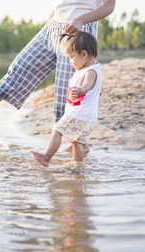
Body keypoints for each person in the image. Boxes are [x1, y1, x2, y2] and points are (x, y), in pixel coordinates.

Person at [0, 0, 115, 123]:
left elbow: (108, 6)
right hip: (54, 25)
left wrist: (80, 20)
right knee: (21, 66)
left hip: (80, 30)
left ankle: (76, 146)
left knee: (67, 95)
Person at [29, 31, 101, 166]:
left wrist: (81, 90)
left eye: (71, 57)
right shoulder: (89, 67)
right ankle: (77, 165)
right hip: (86, 115)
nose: (70, 61)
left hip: (79, 113)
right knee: (76, 140)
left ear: (84, 54)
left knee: (57, 130)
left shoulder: (90, 72)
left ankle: (46, 157)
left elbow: (88, 84)